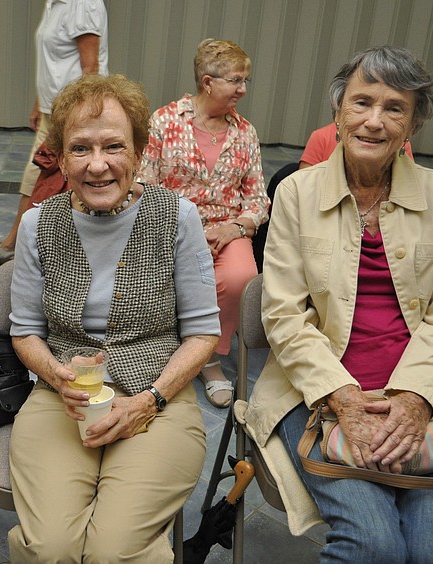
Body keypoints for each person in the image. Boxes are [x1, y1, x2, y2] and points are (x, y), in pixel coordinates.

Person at [242, 45, 433, 561]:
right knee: (372, 545)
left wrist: (415, 399)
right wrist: (343, 398)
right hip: (316, 394)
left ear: (412, 125)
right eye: (362, 102)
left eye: (395, 107)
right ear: (337, 112)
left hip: (424, 394)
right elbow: (282, 313)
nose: (374, 121)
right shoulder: (297, 194)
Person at [7, 74, 220, 561]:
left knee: (114, 552)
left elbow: (204, 332)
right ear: (60, 158)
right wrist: (54, 374)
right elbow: (25, 331)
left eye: (114, 146)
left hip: (157, 397)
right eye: (79, 148)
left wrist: (152, 398)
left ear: (140, 151)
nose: (97, 165)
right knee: (52, 548)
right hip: (62, 398)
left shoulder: (178, 216)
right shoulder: (39, 223)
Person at [137, 38, 269, 408]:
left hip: (227, 228)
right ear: (209, 82)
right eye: (236, 81)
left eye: (245, 80)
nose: (243, 89)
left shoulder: (245, 133)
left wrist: (234, 228)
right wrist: (185, 228)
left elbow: (257, 199)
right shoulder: (164, 122)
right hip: (171, 224)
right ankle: (169, 349)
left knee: (240, 277)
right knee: (163, 274)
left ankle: (209, 358)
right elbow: (143, 183)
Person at [0, 0, 108, 265]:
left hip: (71, 113)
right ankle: (18, 242)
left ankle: (23, 245)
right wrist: (39, 102)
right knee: (35, 177)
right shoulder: (55, 3)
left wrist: (77, 119)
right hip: (52, 108)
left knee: (48, 178)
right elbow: (52, 63)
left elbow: (90, 68)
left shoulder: (83, 3)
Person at [299, 121, 413, 168]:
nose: (374, 122)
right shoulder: (321, 136)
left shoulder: (399, 143)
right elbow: (305, 185)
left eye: (393, 109)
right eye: (362, 104)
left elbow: (408, 183)